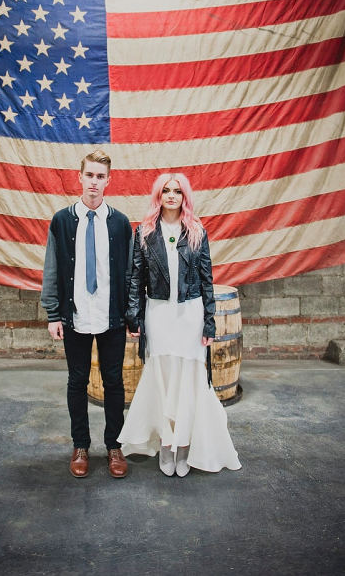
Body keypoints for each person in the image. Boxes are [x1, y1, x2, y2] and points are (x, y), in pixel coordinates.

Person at [119, 173, 241, 476]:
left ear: (184, 196)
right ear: (158, 196)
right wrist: (133, 315)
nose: (171, 195)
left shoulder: (197, 231)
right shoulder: (145, 232)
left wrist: (209, 322)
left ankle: (184, 445)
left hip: (190, 314)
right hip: (159, 314)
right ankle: (165, 444)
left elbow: (206, 279)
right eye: (166, 191)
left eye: (177, 191)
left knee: (188, 378)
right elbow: (136, 278)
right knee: (163, 377)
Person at [41, 150, 133, 478]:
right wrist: (53, 313)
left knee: (113, 382)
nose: (94, 182)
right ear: (79, 177)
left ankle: (114, 446)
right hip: (76, 317)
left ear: (109, 180)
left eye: (100, 176)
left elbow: (129, 275)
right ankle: (80, 444)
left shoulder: (120, 223)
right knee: (77, 381)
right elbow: (52, 269)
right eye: (89, 175)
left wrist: (132, 315)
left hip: (111, 317)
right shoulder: (63, 221)